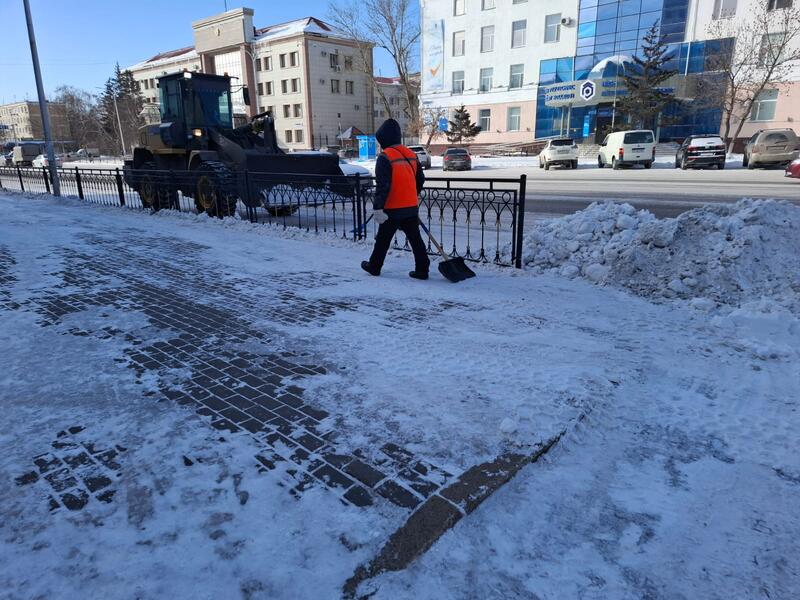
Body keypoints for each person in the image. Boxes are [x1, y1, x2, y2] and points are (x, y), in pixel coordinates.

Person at [361, 118, 430, 279]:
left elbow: (382, 185)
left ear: (384, 138)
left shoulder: (385, 157)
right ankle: (422, 270)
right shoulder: (411, 154)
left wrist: (378, 208)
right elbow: (420, 179)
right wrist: (412, 195)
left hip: (392, 208)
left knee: (383, 240)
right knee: (416, 240)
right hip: (411, 207)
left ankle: (374, 266)